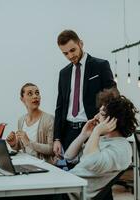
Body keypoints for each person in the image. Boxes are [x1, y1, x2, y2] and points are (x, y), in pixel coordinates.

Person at [53, 30, 117, 165]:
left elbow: (113, 97)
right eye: (65, 53)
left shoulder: (100, 65)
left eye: (72, 50)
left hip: (93, 129)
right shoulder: (63, 73)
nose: (70, 56)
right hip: (69, 132)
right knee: (73, 176)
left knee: (95, 171)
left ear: (81, 44)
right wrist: (57, 138)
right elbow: (60, 107)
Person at [64, 89, 139, 199]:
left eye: (102, 113)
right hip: (66, 185)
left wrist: (96, 131)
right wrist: (83, 135)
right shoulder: (102, 140)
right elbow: (69, 157)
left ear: (113, 120)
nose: (96, 117)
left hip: (70, 194)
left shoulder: (122, 148)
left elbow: (90, 161)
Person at [6, 83, 55, 164]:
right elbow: (21, 146)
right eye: (30, 94)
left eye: (37, 93)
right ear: (22, 99)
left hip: (43, 165)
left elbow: (52, 149)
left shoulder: (49, 119)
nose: (35, 96)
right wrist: (13, 144)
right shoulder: (21, 120)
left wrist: (29, 142)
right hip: (26, 163)